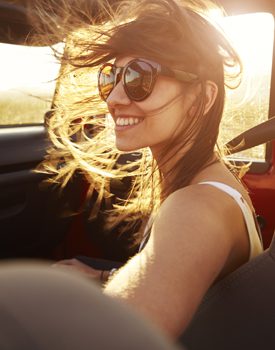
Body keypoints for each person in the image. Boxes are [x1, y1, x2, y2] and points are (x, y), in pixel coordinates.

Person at [35, 0, 263, 338]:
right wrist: (103, 278)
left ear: (202, 98)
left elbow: (118, 339)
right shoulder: (200, 184)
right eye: (110, 77)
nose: (113, 97)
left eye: (138, 77)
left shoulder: (197, 207)